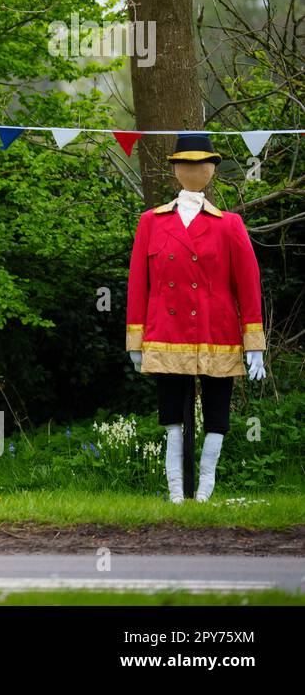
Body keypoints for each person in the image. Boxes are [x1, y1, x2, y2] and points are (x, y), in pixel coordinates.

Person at [126, 133, 266, 504]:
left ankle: (204, 489)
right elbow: (138, 284)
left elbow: (249, 286)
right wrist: (135, 339)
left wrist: (254, 343)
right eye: (185, 163)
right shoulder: (151, 222)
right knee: (172, 414)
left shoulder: (229, 224)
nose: (193, 169)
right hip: (166, 332)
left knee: (218, 413)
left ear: (212, 170)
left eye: (200, 163)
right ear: (175, 169)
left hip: (217, 332)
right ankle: (176, 491)